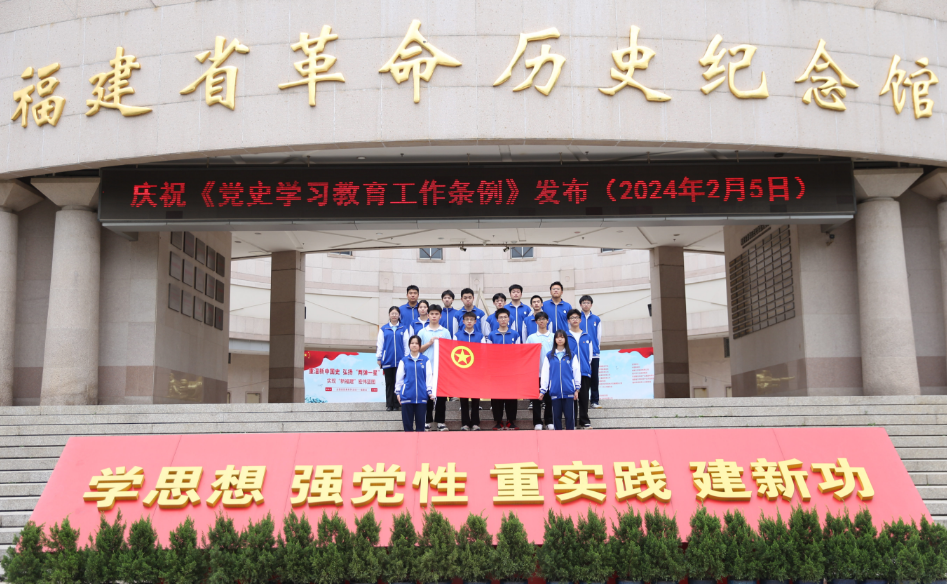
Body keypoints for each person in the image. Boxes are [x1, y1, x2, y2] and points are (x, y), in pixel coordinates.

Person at [483, 307, 520, 429]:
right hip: (496, 370)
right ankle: (498, 421)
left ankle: (510, 420)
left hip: (511, 370)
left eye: (505, 317)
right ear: (497, 320)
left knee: (511, 396)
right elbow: (489, 353)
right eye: (501, 317)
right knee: (496, 396)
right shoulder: (492, 335)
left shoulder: (515, 334)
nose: (503, 319)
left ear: (509, 319)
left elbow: (518, 352)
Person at [419, 304, 453, 431]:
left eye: (436, 314)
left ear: (440, 316)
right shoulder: (422, 332)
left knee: (441, 397)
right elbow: (418, 349)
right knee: (426, 396)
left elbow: (450, 350)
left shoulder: (445, 332)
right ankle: (427, 421)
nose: (434, 316)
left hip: (441, 369)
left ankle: (440, 422)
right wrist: (430, 343)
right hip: (426, 368)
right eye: (432, 314)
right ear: (428, 315)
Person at [540, 330, 580, 430]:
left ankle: (570, 437)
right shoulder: (549, 356)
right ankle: (557, 438)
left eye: (562, 337)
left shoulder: (572, 355)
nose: (560, 339)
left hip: (569, 392)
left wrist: (577, 388)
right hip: (555, 392)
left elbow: (576, 371)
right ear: (555, 340)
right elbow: (545, 373)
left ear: (565, 339)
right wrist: (543, 390)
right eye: (558, 337)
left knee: (570, 418)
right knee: (556, 418)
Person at [395, 335, 433, 432]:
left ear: (420, 345)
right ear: (409, 345)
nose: (414, 345)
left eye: (416, 343)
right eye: (412, 343)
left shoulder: (425, 360)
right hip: (407, 397)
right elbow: (399, 378)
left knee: (420, 427)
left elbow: (429, 377)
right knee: (407, 427)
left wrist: (429, 391)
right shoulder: (404, 361)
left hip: (421, 397)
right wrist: (398, 392)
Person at [525, 312, 555, 430]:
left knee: (549, 398)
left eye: (544, 319)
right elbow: (526, 353)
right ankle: (537, 422)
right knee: (536, 398)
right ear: (536, 322)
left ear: (547, 321)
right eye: (539, 319)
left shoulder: (553, 336)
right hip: (535, 372)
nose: (542, 321)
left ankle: (549, 421)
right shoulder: (531, 337)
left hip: (550, 373)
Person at [455, 311, 484, 430]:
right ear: (463, 322)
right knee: (463, 398)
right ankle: (465, 423)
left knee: (476, 397)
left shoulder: (480, 336)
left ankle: (475, 422)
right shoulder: (457, 336)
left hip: (476, 370)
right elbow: (453, 352)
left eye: (471, 320)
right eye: (467, 319)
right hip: (462, 371)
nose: (469, 322)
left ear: (475, 322)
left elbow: (484, 352)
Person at [566, 308, 594, 429]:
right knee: (572, 397)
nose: (575, 320)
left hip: (584, 371)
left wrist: (586, 367)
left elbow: (590, 356)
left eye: (577, 317)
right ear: (568, 320)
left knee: (584, 397)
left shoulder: (587, 336)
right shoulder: (565, 336)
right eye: (572, 318)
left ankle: (584, 420)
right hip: (569, 373)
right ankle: (572, 421)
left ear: (580, 320)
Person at [376, 306, 407, 412]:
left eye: (396, 313)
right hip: (387, 360)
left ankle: (397, 404)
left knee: (399, 383)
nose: (394, 315)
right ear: (389, 315)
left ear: (399, 315)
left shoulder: (403, 328)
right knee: (389, 383)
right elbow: (380, 344)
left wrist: (406, 359)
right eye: (392, 313)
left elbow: (406, 345)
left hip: (400, 361)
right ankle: (389, 404)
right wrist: (379, 357)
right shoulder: (384, 329)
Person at [579, 295, 603, 409]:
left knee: (594, 377)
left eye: (588, 303)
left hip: (594, 353)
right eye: (584, 303)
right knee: (581, 377)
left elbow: (598, 336)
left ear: (591, 305)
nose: (586, 305)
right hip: (581, 353)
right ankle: (581, 400)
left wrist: (596, 348)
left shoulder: (596, 319)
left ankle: (594, 400)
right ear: (580, 305)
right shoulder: (577, 318)